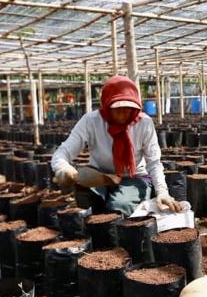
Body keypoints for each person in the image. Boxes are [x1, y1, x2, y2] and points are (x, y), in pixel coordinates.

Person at [51, 75, 180, 216]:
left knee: (119, 206)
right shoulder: (91, 121)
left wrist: (162, 191)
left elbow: (154, 162)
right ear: (106, 105)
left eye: (129, 106)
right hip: (100, 175)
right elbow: (63, 152)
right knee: (84, 193)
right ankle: (98, 214)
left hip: (134, 177)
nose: (123, 111)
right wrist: (63, 169)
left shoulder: (144, 123)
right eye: (117, 107)